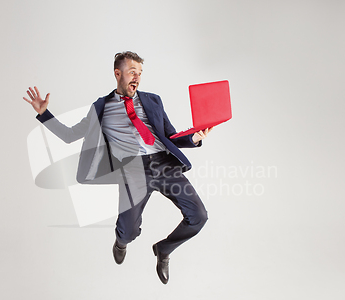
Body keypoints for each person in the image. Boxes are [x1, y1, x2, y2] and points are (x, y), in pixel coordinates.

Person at [24, 51, 212, 284]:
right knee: (129, 230)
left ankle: (164, 250)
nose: (138, 77)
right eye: (133, 72)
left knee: (198, 216)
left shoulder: (153, 100)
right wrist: (44, 113)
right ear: (117, 73)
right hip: (133, 170)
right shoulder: (101, 108)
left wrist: (193, 139)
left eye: (140, 73)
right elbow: (69, 135)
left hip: (164, 164)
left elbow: (170, 136)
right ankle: (122, 240)